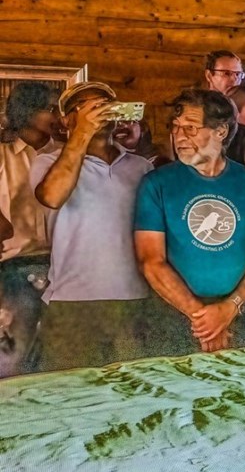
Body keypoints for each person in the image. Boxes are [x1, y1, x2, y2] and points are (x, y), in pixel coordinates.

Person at [134, 88, 245, 354]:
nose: (179, 136)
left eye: (190, 128)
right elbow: (151, 261)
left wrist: (229, 308)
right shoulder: (157, 184)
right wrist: (203, 318)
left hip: (238, 314)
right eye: (175, 127)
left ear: (221, 131)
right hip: (174, 315)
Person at [31, 82, 156, 371]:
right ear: (66, 120)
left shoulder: (140, 167)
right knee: (70, 391)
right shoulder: (46, 162)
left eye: (104, 106)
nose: (97, 113)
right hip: (72, 300)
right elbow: (51, 196)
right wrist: (82, 133)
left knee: (133, 388)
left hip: (132, 297)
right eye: (86, 108)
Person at [0, 80, 61, 376]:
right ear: (28, 111)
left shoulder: (65, 156)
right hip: (13, 268)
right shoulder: (3, 155)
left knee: (56, 358)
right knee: (14, 356)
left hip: (63, 268)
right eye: (50, 109)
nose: (58, 116)